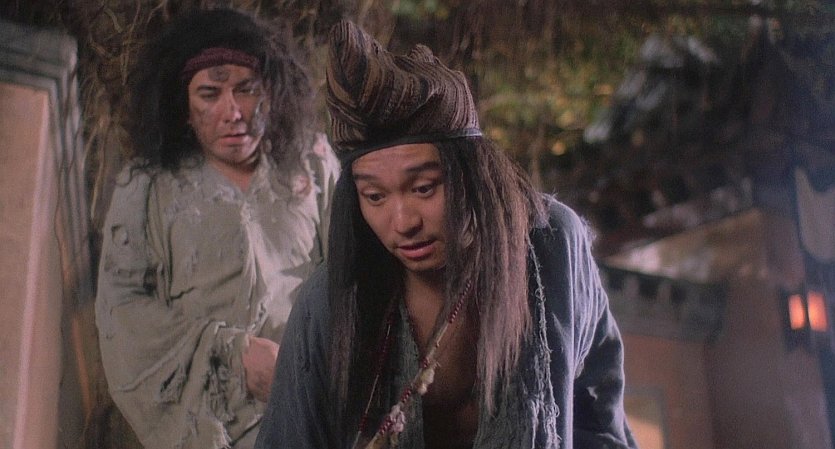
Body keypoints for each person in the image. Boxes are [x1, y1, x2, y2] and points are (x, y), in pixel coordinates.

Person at [255, 20, 637, 449]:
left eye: (423, 188)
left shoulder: (548, 246)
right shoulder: (331, 304)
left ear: (472, 176)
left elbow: (599, 418)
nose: (403, 221)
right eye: (375, 196)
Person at [94, 8, 338, 449]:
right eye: (210, 94)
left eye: (247, 89)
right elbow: (121, 312)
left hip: (315, 416)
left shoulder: (312, 166)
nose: (234, 112)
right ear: (184, 108)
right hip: (209, 427)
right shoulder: (148, 187)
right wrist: (234, 354)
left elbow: (354, 278)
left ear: (272, 92)